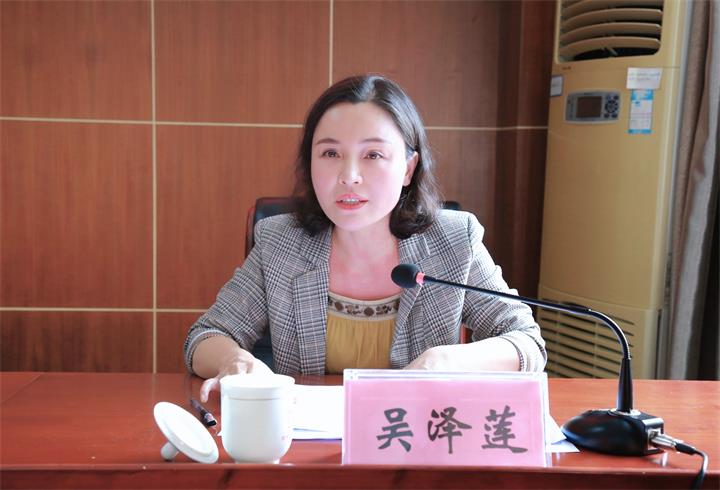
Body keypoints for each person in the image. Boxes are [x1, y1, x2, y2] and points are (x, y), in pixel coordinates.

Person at [185, 75, 546, 402]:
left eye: (373, 154)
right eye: (330, 153)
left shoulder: (452, 241)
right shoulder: (281, 243)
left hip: (416, 439)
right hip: (307, 443)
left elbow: (527, 343)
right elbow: (205, 336)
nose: (349, 176)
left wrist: (446, 361)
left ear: (408, 168)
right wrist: (233, 359)